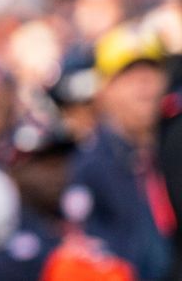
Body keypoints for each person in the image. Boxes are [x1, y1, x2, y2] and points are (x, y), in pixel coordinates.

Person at [72, 23, 175, 280]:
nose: (144, 84)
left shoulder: (169, 152)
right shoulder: (92, 165)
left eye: (152, 70)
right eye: (128, 74)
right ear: (104, 89)